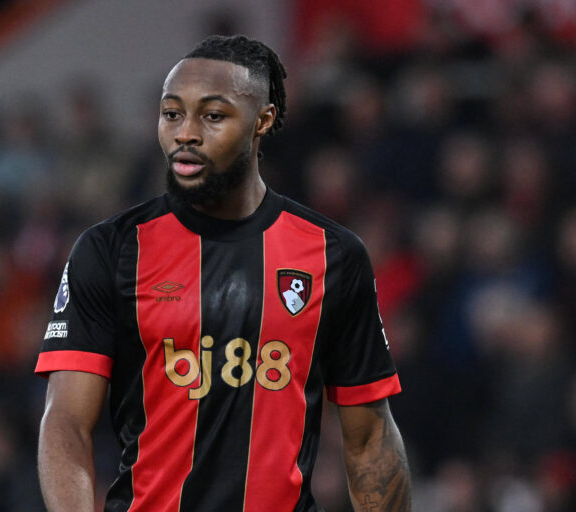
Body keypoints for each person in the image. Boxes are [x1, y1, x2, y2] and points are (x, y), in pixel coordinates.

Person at [36, 34, 411, 512]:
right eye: (172, 113)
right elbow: (65, 421)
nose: (185, 133)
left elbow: (370, 437)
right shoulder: (108, 250)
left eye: (212, 116)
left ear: (263, 121)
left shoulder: (333, 255)